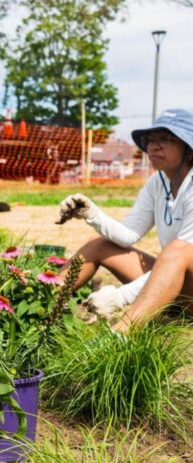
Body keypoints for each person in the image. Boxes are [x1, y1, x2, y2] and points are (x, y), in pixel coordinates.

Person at [60, 108, 193, 332]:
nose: (153, 146)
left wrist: (119, 297)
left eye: (166, 139)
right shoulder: (156, 183)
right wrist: (92, 214)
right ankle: (43, 301)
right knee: (101, 245)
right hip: (177, 284)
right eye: (150, 140)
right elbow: (128, 234)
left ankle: (120, 336)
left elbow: (182, 256)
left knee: (178, 249)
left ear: (189, 150)